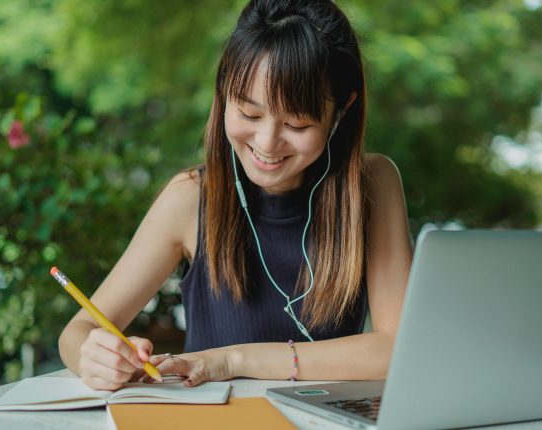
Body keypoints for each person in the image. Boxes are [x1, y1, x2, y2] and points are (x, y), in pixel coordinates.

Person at [58, 0, 413, 390]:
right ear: (225, 90)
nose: (267, 143)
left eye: (296, 122)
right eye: (249, 113)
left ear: (342, 110)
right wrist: (94, 356)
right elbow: (79, 330)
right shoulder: (191, 196)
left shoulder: (373, 183)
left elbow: (397, 349)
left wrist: (230, 360)